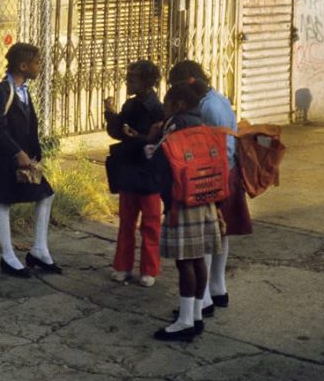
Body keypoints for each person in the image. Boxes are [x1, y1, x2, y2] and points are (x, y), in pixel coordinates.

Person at [166, 60, 252, 320]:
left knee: (203, 237)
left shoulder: (208, 107)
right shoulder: (219, 99)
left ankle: (203, 300)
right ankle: (217, 288)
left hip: (215, 176)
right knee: (218, 233)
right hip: (225, 172)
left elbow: (217, 146)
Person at [0, 42, 60, 278]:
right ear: (23, 65)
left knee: (46, 194)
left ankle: (39, 250)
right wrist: (17, 153)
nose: (39, 67)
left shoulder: (24, 89)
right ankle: (8, 256)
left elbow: (30, 126)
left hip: (24, 158)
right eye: (36, 63)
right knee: (3, 202)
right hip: (4, 159)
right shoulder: (3, 91)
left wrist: (33, 153)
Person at [149, 82, 223, 342]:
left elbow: (163, 165)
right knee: (199, 259)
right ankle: (195, 314)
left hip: (182, 201)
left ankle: (184, 322)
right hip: (205, 198)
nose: (164, 110)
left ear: (178, 105)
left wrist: (153, 142)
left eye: (167, 105)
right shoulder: (203, 125)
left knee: (185, 262)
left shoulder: (175, 126)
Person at [104, 60, 165, 287]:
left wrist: (138, 136)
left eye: (134, 78)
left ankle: (149, 269)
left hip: (148, 172)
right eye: (128, 77)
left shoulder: (157, 108)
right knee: (126, 221)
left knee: (150, 222)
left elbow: (156, 141)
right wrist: (110, 114)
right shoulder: (130, 105)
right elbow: (118, 132)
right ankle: (123, 266)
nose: (128, 81)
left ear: (148, 82)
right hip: (129, 169)